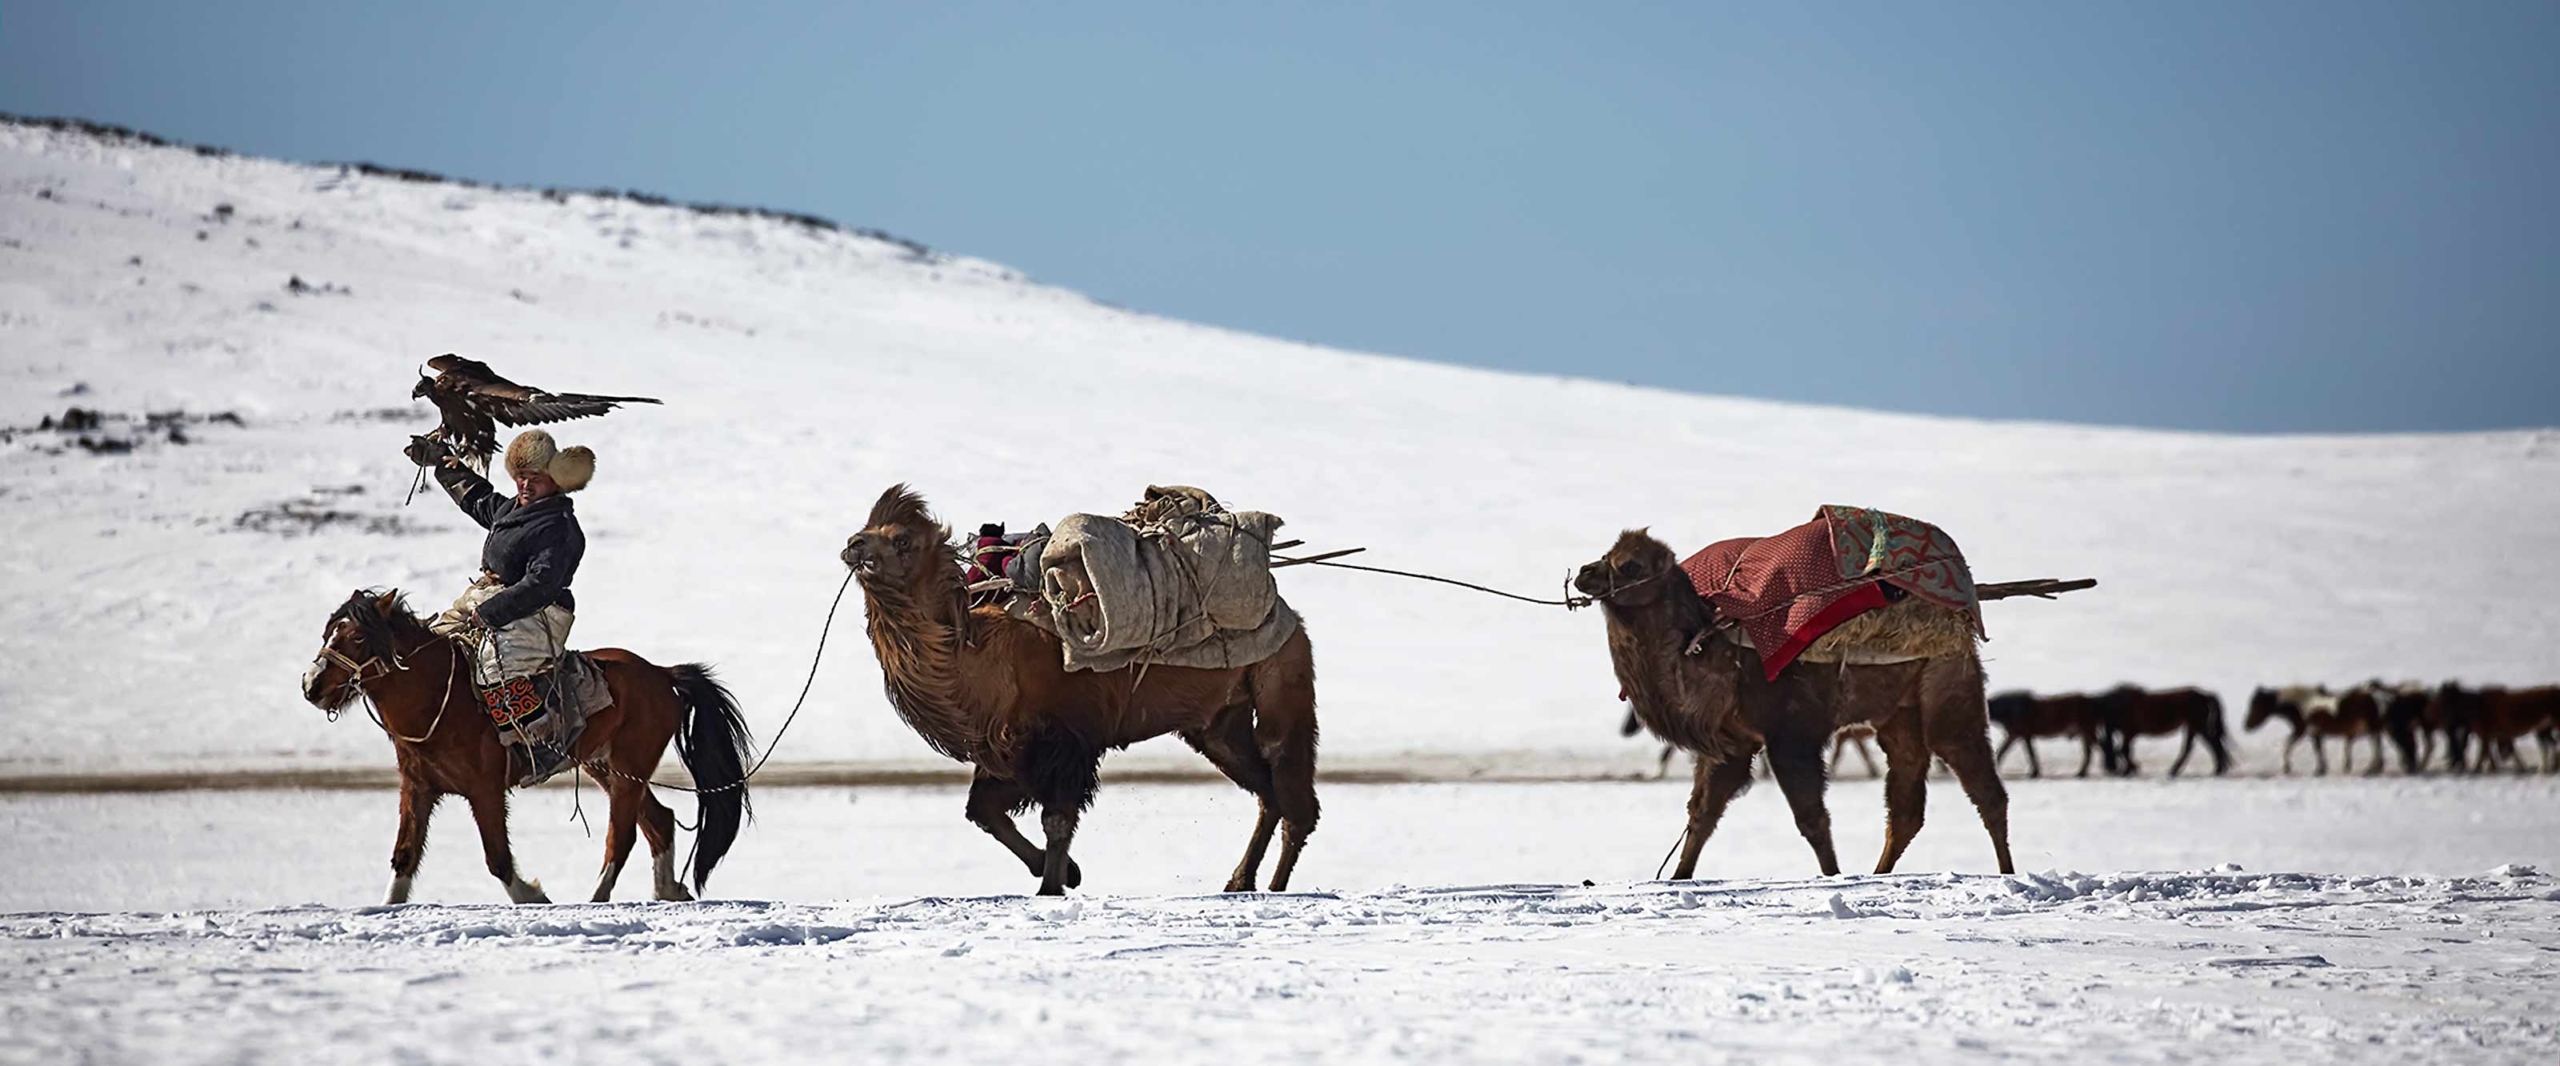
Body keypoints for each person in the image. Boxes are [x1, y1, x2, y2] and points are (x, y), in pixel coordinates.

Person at [404, 428, 595, 779]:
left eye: (534, 478)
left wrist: (491, 613)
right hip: (490, 597)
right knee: (434, 646)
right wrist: (442, 461)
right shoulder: (514, 509)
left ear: (554, 479)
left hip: (542, 610)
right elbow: (477, 498)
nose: (525, 485)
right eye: (520, 477)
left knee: (495, 666)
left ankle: (541, 743)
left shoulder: (559, 527)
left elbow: (541, 584)